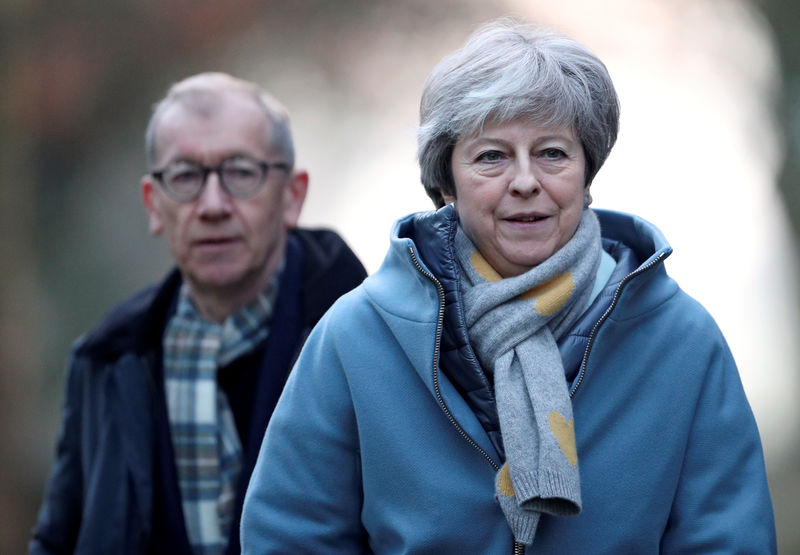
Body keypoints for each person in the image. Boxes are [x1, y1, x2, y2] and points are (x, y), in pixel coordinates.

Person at [240, 20, 777, 553]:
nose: (525, 181)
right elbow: (291, 536)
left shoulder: (679, 339)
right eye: (492, 156)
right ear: (446, 181)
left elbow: (727, 541)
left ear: (586, 172)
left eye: (552, 153)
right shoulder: (358, 336)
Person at [30, 72, 367, 554]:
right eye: (186, 175)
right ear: (153, 203)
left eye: (241, 172)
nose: (212, 205)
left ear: (292, 196)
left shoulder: (370, 345)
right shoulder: (105, 362)